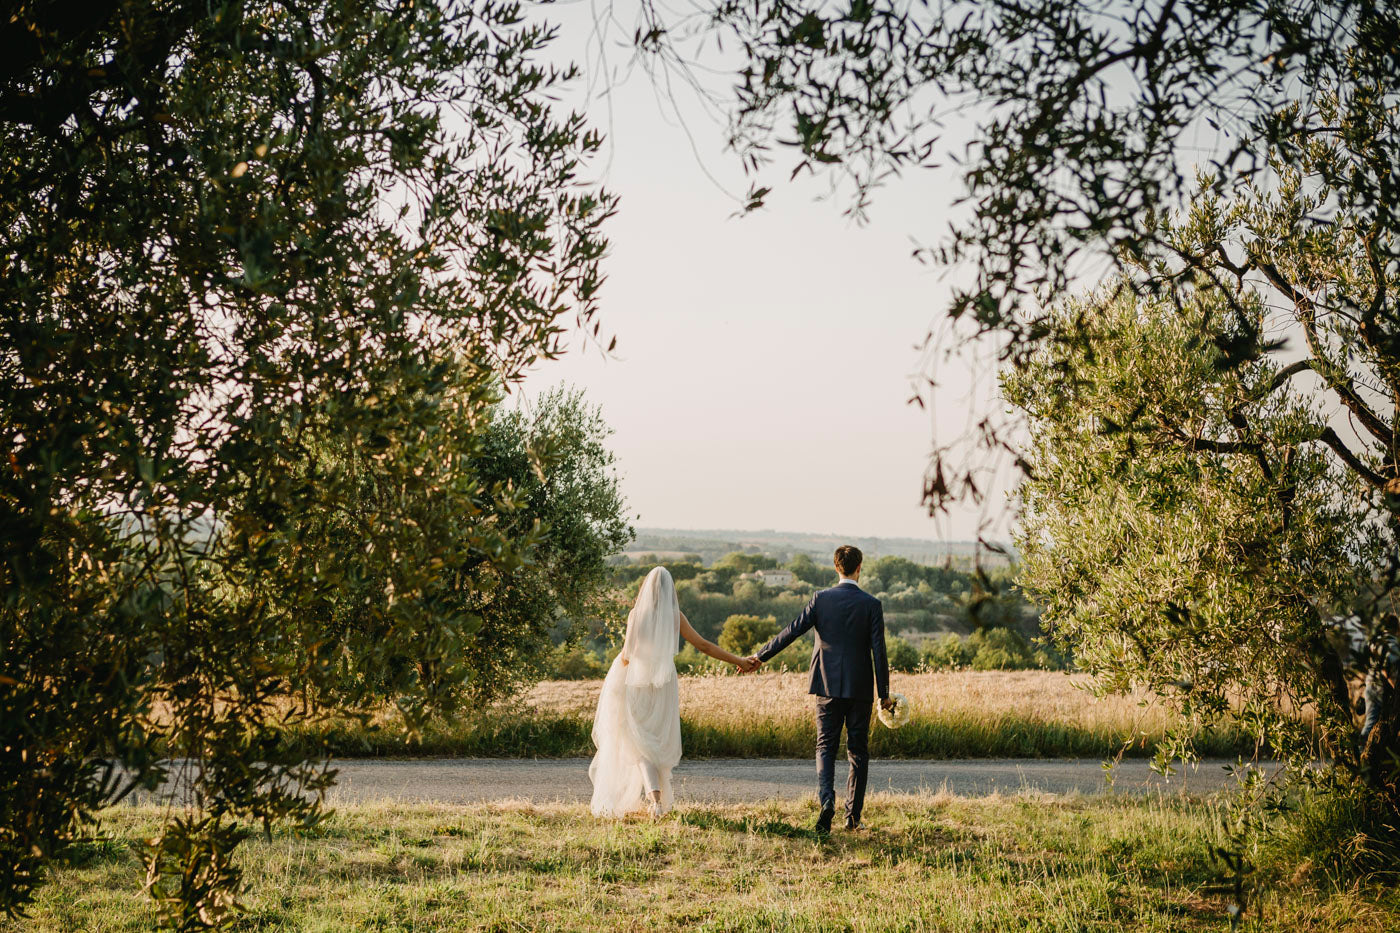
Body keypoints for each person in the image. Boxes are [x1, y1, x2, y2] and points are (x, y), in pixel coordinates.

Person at [589, 566, 758, 818]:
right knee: (654, 743)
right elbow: (703, 645)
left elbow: (626, 655)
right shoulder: (675, 616)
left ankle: (655, 802)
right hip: (664, 686)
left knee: (639, 744)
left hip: (636, 683)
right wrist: (738, 660)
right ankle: (657, 802)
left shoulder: (637, 615)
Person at [746, 545, 891, 835]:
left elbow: (793, 630)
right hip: (860, 689)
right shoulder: (871, 604)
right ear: (858, 568)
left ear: (836, 567)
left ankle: (827, 802)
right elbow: (879, 650)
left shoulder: (820, 600)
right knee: (857, 752)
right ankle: (853, 818)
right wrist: (883, 693)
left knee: (825, 746)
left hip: (825, 685)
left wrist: (760, 657)